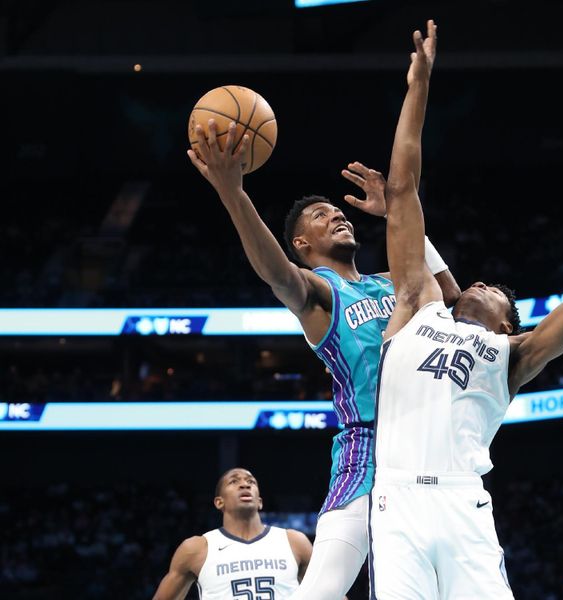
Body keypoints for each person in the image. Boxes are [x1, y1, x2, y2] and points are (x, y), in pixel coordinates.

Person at [368, 19, 563, 598]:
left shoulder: (511, 353)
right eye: (474, 281)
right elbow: (405, 190)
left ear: (509, 321)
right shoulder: (417, 307)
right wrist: (420, 85)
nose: (478, 282)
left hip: (464, 504)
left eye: (495, 290)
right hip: (397, 499)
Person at [187, 120, 460, 599]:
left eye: (339, 211)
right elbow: (275, 273)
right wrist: (233, 192)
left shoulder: (389, 282)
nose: (338, 215)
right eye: (321, 214)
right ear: (301, 244)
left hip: (425, 448)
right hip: (367, 450)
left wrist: (396, 210)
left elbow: (452, 296)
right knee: (321, 592)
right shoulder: (319, 292)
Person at [153, 468, 312, 599]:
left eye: (251, 482)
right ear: (219, 502)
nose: (245, 485)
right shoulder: (196, 548)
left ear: (260, 502)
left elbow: (329, 593)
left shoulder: (294, 542)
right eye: (234, 481)